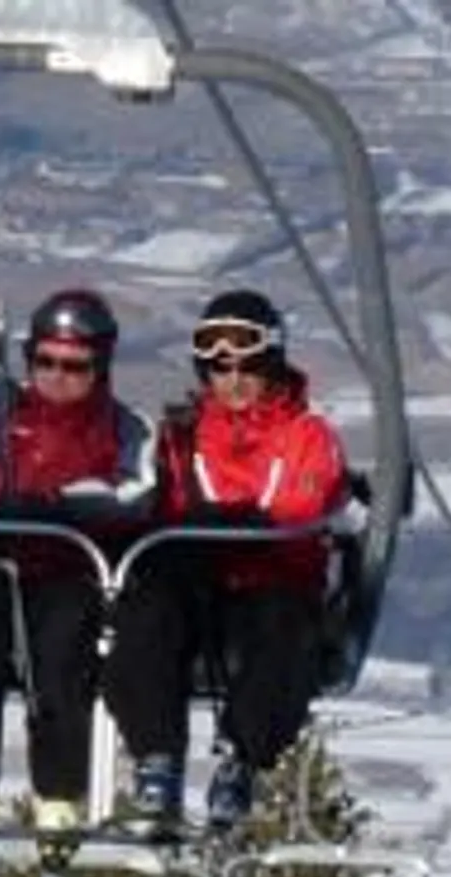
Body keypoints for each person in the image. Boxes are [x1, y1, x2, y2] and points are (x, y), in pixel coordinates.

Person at [0, 288, 156, 852]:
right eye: (44, 362)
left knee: (64, 652)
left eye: (75, 366)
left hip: (67, 570)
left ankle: (58, 793)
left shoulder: (124, 429)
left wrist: (61, 506)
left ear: (100, 366)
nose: (57, 377)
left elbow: (137, 495)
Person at [104, 289, 348, 832]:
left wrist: (230, 526)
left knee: (281, 628)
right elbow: (153, 509)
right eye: (219, 367)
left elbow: (298, 509)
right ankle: (157, 762)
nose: (233, 379)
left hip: (272, 582)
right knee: (147, 613)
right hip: (199, 585)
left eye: (249, 365)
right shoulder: (181, 436)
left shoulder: (307, 436)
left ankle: (243, 760)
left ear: (273, 362)